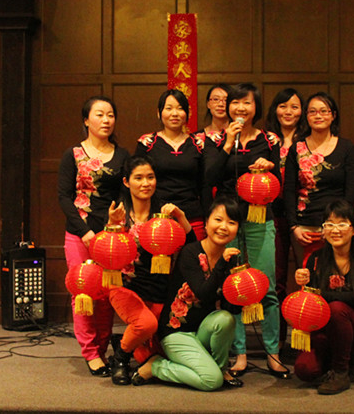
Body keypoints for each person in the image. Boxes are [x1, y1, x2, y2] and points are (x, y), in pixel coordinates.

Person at [206, 83, 290, 379]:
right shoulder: (215, 139)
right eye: (235, 103)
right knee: (233, 287)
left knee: (266, 287)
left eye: (247, 103)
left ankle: (273, 353)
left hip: (259, 218)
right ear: (227, 107)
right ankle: (239, 354)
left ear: (256, 108)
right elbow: (210, 177)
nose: (241, 108)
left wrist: (269, 167)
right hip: (227, 222)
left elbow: (279, 184)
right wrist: (228, 143)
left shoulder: (269, 139)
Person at [129, 196, 245, 391]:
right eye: (218, 220)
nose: (223, 227)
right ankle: (156, 367)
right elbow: (203, 292)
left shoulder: (232, 259)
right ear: (206, 223)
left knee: (226, 319)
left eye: (231, 222)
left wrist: (243, 295)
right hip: (176, 332)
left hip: (202, 331)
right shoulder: (191, 253)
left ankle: (219, 368)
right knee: (211, 381)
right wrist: (222, 265)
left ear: (237, 229)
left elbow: (229, 308)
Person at [104, 155, 196, 385]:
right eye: (138, 178)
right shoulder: (118, 213)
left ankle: (122, 341)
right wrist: (112, 225)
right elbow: (106, 253)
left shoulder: (164, 214)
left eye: (150, 177)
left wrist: (181, 217)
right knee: (146, 325)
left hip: (158, 289)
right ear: (126, 182)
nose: (145, 183)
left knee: (155, 353)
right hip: (125, 287)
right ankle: (120, 359)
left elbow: (192, 248)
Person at [57, 95, 129, 377]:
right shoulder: (73, 154)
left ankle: (102, 346)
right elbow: (64, 197)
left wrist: (116, 225)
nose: (106, 120)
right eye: (99, 114)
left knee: (107, 294)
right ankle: (90, 352)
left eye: (110, 115)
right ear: (86, 120)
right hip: (80, 233)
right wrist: (84, 231)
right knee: (84, 292)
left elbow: (123, 194)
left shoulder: (122, 155)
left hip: (110, 236)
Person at [293, 200, 354, 395]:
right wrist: (304, 285)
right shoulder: (316, 258)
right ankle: (341, 362)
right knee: (304, 370)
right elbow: (311, 302)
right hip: (326, 329)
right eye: (329, 224)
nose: (335, 230)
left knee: (337, 308)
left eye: (342, 224)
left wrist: (322, 295)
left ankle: (341, 372)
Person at [284, 92, 354, 269]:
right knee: (307, 275)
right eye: (312, 111)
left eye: (324, 111)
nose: (318, 116)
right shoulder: (297, 148)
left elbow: (351, 189)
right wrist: (294, 226)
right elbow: (288, 189)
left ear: (333, 116)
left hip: (337, 226)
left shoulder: (346, 147)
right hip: (304, 227)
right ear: (306, 116)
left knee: (336, 275)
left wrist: (337, 224)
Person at [134, 89, 210, 240]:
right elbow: (135, 181)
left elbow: (205, 184)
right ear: (159, 113)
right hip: (157, 216)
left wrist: (208, 216)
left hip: (192, 216)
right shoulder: (147, 143)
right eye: (168, 108)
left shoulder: (198, 144)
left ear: (187, 113)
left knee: (195, 255)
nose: (174, 113)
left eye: (180, 108)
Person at [264, 88, 304, 345]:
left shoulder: (309, 140)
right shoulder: (266, 140)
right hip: (273, 215)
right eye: (283, 106)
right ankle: (276, 342)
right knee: (276, 279)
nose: (288, 112)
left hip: (304, 216)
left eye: (294, 107)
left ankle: (308, 338)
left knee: (308, 277)